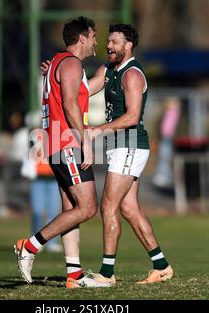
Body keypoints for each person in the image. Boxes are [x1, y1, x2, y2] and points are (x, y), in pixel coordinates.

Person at [76, 24, 174, 286]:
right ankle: (162, 266)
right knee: (129, 209)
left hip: (130, 144)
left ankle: (106, 275)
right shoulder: (108, 70)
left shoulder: (132, 74)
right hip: (119, 145)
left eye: (115, 42)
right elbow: (87, 88)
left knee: (108, 206)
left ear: (128, 45)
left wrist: (98, 130)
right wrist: (58, 74)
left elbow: (132, 117)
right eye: (108, 41)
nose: (109, 46)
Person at [14, 16, 99, 288]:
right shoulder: (71, 63)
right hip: (67, 143)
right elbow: (71, 105)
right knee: (87, 207)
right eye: (94, 36)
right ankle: (29, 245)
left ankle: (73, 275)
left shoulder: (59, 63)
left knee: (71, 209)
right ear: (82, 38)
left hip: (55, 143)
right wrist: (85, 140)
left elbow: (85, 89)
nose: (97, 41)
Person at [152, 97, 181, 189]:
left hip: (167, 138)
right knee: (164, 156)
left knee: (165, 156)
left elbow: (169, 127)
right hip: (165, 138)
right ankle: (164, 174)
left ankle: (164, 175)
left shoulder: (173, 113)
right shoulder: (168, 113)